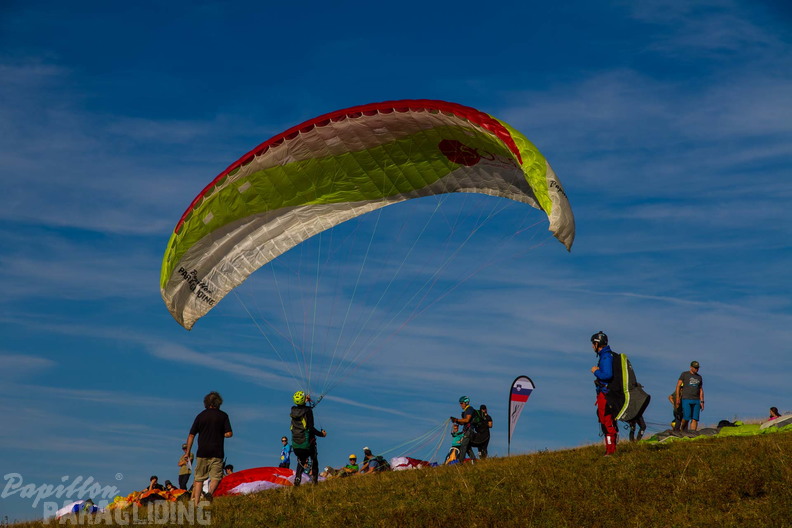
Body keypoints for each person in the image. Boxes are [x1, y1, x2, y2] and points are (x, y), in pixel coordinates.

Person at [184, 391, 233, 505]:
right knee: (216, 477)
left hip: (202, 451)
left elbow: (191, 435)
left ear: (206, 402)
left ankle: (196, 503)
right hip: (217, 451)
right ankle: (210, 493)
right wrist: (222, 434)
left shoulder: (200, 416)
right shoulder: (223, 416)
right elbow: (229, 433)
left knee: (199, 478)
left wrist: (188, 452)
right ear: (218, 402)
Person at [290, 391, 327, 486]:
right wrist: (321, 434)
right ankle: (315, 482)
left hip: (296, 443)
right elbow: (311, 428)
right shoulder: (308, 411)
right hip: (307, 443)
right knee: (314, 460)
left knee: (301, 460)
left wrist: (304, 402)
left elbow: (302, 409)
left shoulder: (293, 410)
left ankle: (297, 479)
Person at [590, 331, 618, 456]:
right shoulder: (607, 355)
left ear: (598, 344)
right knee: (607, 420)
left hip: (605, 394)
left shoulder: (606, 357)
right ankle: (610, 449)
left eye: (593, 343)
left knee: (606, 421)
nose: (592, 346)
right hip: (606, 393)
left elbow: (607, 375)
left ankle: (610, 450)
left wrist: (595, 372)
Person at [675, 361, 704, 431]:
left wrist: (702, 401)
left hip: (696, 400)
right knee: (686, 417)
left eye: (697, 368)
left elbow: (701, 390)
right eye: (695, 368)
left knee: (695, 418)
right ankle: (682, 428)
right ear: (691, 367)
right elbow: (678, 386)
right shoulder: (685, 374)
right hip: (686, 398)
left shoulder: (699, 377)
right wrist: (677, 397)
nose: (696, 369)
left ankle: (692, 433)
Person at [450, 396, 477, 462]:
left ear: (466, 403)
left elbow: (467, 420)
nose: (460, 404)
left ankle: (460, 462)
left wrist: (457, 420)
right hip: (467, 430)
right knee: (467, 447)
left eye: (461, 403)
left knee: (463, 446)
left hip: (469, 431)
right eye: (460, 403)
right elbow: (463, 422)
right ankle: (474, 461)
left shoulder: (469, 409)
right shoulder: (466, 411)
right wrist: (456, 421)